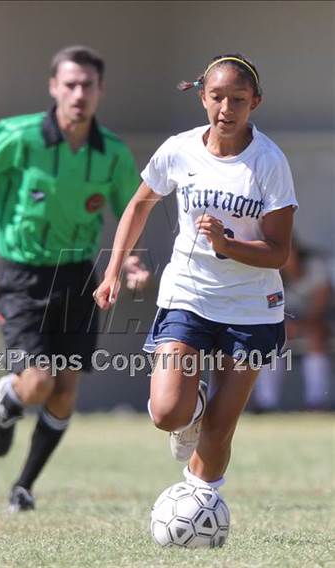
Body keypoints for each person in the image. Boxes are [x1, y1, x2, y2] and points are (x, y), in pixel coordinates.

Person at [0, 45, 149, 512]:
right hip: (23, 275)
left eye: (87, 85)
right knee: (39, 382)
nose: (79, 94)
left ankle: (24, 486)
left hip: (79, 276)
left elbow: (130, 212)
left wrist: (130, 261)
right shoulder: (18, 137)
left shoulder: (111, 153)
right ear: (53, 87)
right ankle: (9, 399)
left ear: (101, 91)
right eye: (70, 84)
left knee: (67, 387)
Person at [94, 53, 298, 492]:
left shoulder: (269, 162)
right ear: (202, 97)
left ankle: (200, 503)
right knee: (168, 413)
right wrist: (112, 270)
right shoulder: (179, 149)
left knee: (219, 430)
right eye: (218, 97)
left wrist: (228, 245)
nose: (227, 109)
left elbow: (279, 252)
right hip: (188, 295)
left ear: (255, 103)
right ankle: (193, 402)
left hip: (250, 306)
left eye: (238, 100)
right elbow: (139, 205)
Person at [254, 239, 333, 411]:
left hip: (315, 321)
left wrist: (302, 325)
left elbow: (321, 304)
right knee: (269, 340)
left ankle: (316, 402)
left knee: (316, 337)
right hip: (284, 324)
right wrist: (287, 325)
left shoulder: (315, 266)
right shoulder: (271, 274)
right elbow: (269, 308)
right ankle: (266, 403)